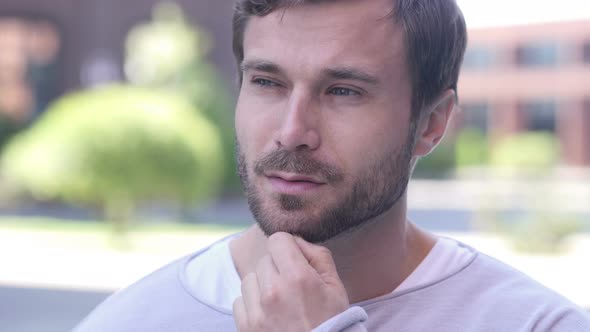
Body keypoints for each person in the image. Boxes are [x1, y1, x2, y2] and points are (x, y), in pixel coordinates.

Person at [74, 0, 590, 331]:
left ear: (432, 123)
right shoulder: (126, 321)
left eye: (344, 91)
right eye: (267, 83)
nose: (292, 131)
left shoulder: (536, 324)